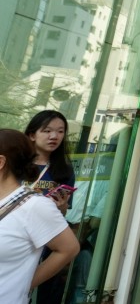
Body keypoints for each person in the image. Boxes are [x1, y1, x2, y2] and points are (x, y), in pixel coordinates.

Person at [0, 129, 80, 303]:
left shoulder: (34, 205)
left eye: (60, 131)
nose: (54, 135)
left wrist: (26, 284)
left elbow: (69, 249)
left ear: (1, 162)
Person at [26, 110, 76, 304]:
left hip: (45, 238)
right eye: (47, 131)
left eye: (60, 131)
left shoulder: (65, 170)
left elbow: (62, 213)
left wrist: (61, 206)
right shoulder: (15, 164)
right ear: (32, 134)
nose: (54, 136)